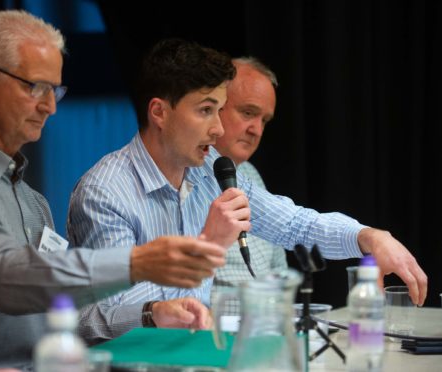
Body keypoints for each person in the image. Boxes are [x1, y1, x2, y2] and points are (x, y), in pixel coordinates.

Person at [0, 13, 226, 371]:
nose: (50, 106)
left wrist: (150, 314)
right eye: (36, 87)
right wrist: (136, 263)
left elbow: (68, 319)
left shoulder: (32, 201)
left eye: (56, 90)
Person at [68, 38, 428, 344]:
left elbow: (293, 225)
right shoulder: (106, 192)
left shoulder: (210, 170)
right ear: (160, 112)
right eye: (206, 111)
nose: (217, 128)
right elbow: (125, 317)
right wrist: (209, 245)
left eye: (221, 111)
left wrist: (368, 237)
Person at [211, 57, 286, 314]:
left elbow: (279, 267)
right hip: (214, 336)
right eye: (248, 113)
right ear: (215, 106)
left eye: (264, 120)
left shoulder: (251, 174)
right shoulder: (183, 174)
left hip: (265, 328)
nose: (257, 130)